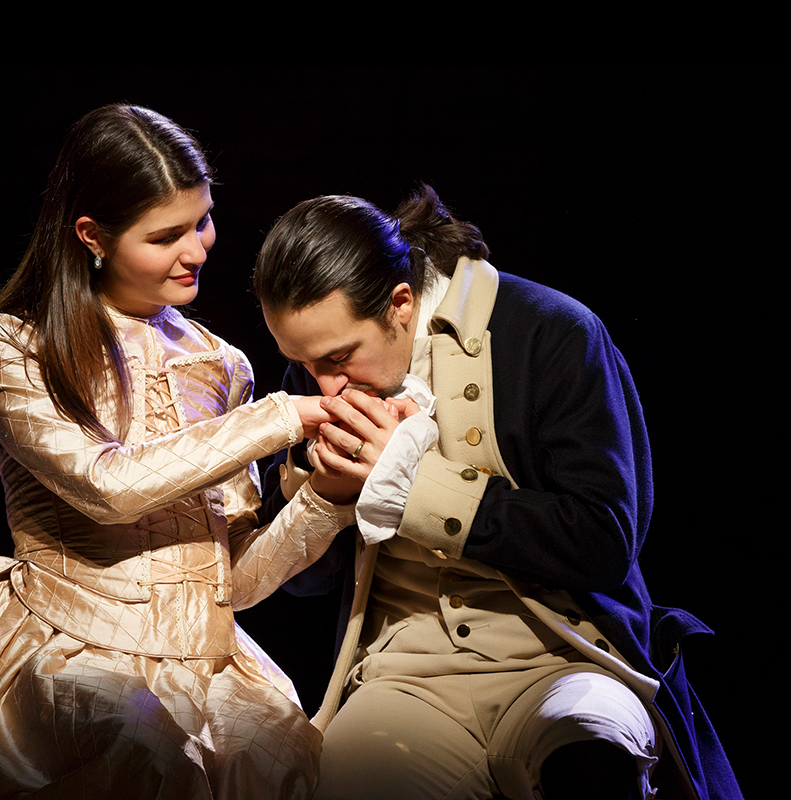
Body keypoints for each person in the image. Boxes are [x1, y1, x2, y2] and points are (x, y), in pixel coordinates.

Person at [0, 104, 356, 799]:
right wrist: (283, 417)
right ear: (92, 235)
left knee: (287, 752)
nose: (197, 250)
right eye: (166, 235)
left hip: (204, 661)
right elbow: (106, 488)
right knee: (141, 742)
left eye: (201, 221)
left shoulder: (223, 366)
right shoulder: (13, 347)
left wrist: (327, 498)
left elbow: (235, 580)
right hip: (68, 647)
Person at [252, 187, 742, 800]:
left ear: (401, 303)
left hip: (564, 656)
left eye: (339, 358)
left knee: (591, 757)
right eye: (301, 362)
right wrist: (325, 494)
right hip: (408, 674)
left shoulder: (553, 331)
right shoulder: (317, 367)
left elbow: (603, 540)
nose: (323, 385)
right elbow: (302, 583)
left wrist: (416, 485)